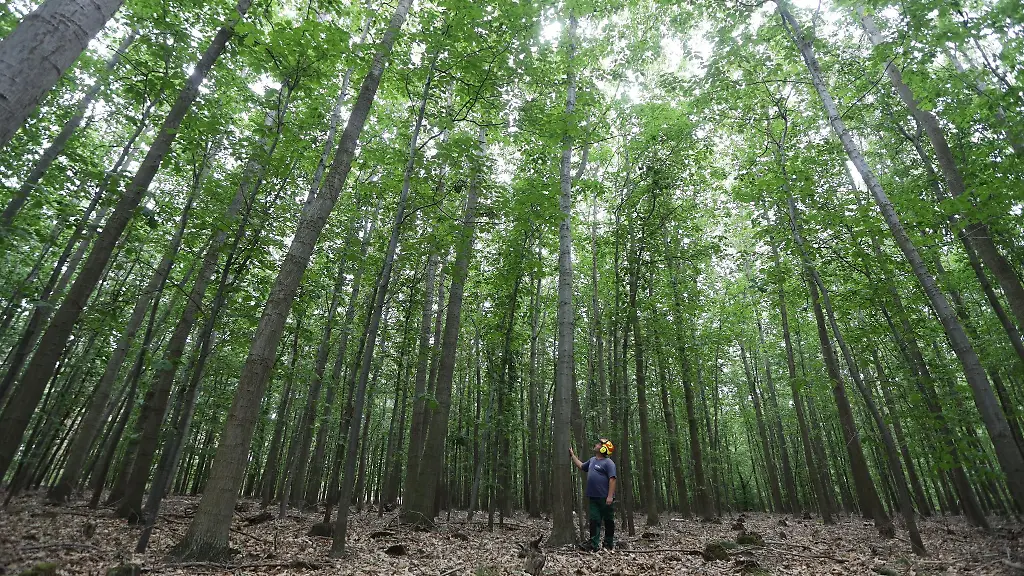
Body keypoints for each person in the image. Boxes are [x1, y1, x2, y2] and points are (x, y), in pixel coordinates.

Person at [570, 438, 617, 551]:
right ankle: (593, 544)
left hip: (605, 498)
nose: (596, 445)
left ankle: (608, 543)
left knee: (609, 521)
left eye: (599, 444)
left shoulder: (608, 463)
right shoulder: (592, 460)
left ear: (604, 448)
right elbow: (581, 466)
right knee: (594, 521)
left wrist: (610, 496)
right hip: (593, 497)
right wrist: (572, 455)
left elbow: (612, 479)